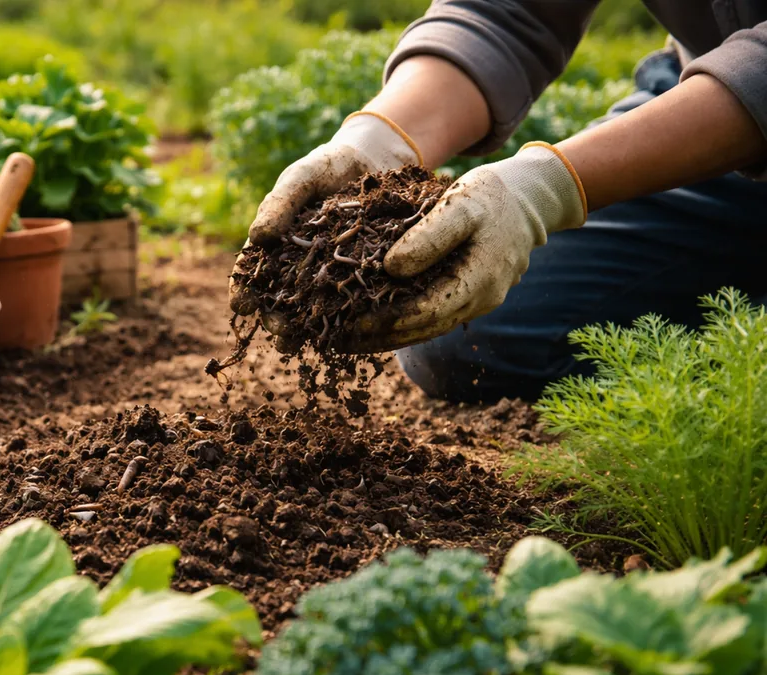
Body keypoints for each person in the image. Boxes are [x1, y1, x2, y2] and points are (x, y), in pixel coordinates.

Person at [244, 1, 767, 403]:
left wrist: (549, 187)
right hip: (696, 116)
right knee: (466, 336)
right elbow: (505, 9)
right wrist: (379, 139)